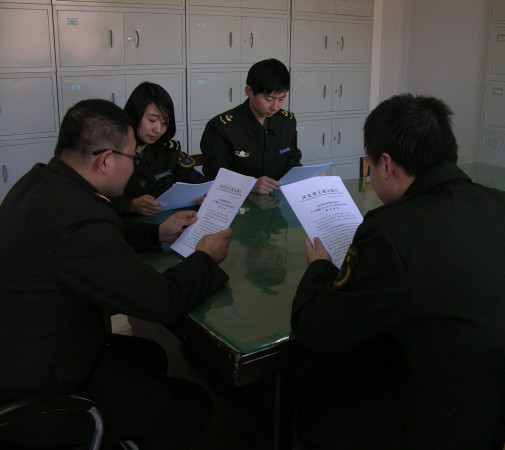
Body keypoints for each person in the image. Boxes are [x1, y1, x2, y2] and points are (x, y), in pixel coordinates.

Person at [290, 94, 505, 450]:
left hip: (452, 432)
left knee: (315, 409)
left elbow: (317, 330)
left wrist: (320, 267)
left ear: (386, 165)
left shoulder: (394, 230)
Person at [0, 99, 233, 450]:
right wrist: (205, 257)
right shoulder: (80, 217)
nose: (134, 166)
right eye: (132, 157)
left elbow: (91, 244)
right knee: (192, 407)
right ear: (106, 160)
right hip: (42, 387)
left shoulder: (41, 183)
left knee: (150, 356)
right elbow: (162, 301)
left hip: (23, 349)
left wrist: (156, 233)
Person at [200, 58, 302, 195]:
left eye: (281, 98)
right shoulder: (221, 127)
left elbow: (293, 162)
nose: (275, 107)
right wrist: (249, 185)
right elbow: (214, 173)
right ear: (249, 91)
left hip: (279, 197)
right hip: (237, 200)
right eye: (269, 99)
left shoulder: (287, 122)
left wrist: (309, 176)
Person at [114, 81, 209, 216]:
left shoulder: (168, 152)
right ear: (135, 115)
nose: (158, 129)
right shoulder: (111, 152)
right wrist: (130, 204)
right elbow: (94, 198)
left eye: (165, 123)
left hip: (167, 223)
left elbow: (197, 182)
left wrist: (206, 194)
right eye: (152, 120)